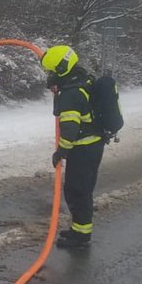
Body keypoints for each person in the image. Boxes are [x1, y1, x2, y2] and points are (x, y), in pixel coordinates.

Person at [42, 45, 105, 249]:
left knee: (77, 191)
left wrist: (61, 151)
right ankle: (79, 230)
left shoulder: (71, 93)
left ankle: (81, 236)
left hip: (83, 148)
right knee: (81, 190)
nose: (50, 76)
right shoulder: (83, 79)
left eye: (52, 71)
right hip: (92, 144)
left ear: (61, 69)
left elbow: (70, 128)